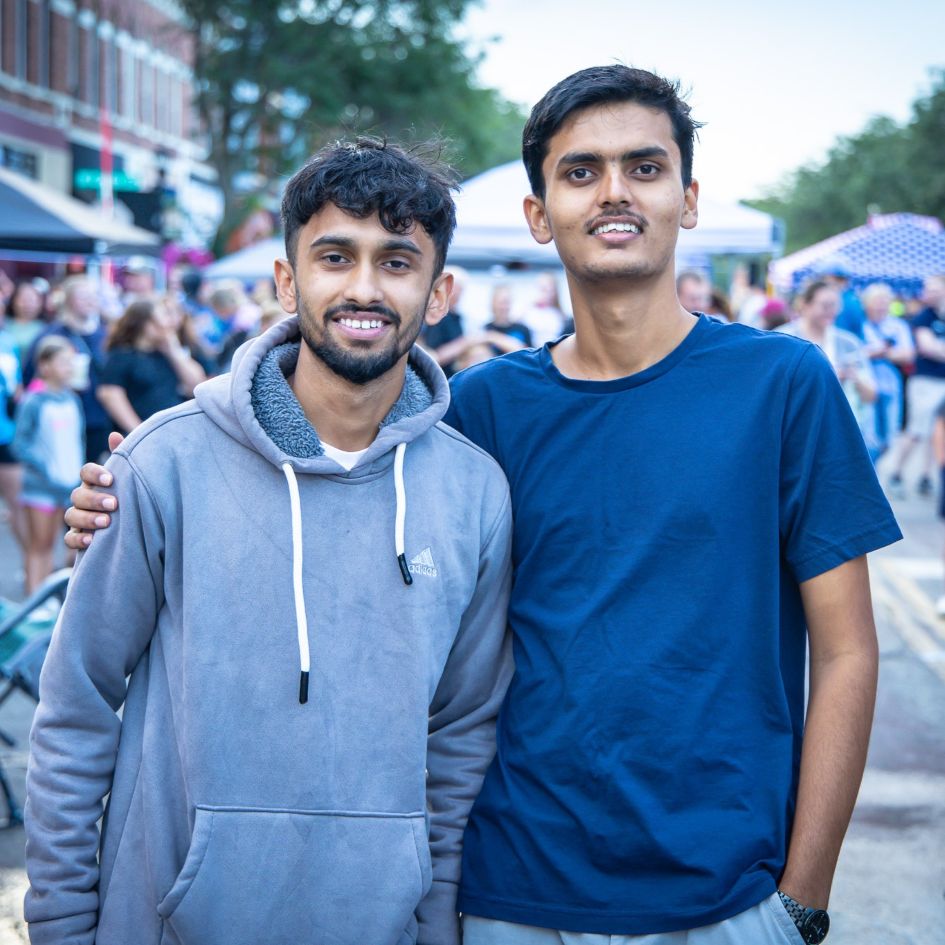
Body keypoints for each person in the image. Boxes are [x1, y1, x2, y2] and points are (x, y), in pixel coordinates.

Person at [66, 67, 900, 945]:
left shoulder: (783, 385)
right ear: (539, 214)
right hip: (512, 896)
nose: (614, 192)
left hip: (727, 897)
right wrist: (121, 498)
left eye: (644, 168)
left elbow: (847, 652)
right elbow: (318, 473)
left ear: (686, 199)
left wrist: (801, 902)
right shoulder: (480, 409)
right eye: (580, 172)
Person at [27, 138, 513, 945]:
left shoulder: (475, 493)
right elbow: (75, 709)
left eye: (397, 261)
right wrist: (62, 927)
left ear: (439, 293)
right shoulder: (161, 462)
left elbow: (460, 738)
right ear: (286, 280)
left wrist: (434, 925)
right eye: (334, 256)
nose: (363, 287)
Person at [12, 336, 83, 594]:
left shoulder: (72, 399)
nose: (69, 367)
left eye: (70, 362)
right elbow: (20, 443)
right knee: (38, 545)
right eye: (63, 361)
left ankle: (43, 596)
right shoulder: (33, 401)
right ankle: (33, 600)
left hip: (66, 485)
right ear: (45, 366)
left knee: (53, 544)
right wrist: (45, 468)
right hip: (40, 486)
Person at [778, 279, 878, 457]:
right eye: (825, 305)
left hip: (840, 432)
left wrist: (853, 376)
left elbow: (871, 395)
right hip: (796, 431)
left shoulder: (848, 343)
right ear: (805, 304)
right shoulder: (783, 339)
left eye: (835, 306)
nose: (831, 311)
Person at [25, 276, 111, 463]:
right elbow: (30, 377)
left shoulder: (106, 334)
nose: (90, 300)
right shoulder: (52, 334)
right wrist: (56, 384)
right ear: (68, 300)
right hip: (60, 417)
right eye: (83, 296)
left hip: (98, 418)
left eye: (93, 295)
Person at [96, 296, 207, 432]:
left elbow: (196, 385)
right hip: (142, 433)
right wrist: (138, 431)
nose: (169, 323)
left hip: (173, 431)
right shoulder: (122, 355)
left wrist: (173, 351)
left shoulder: (166, 353)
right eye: (164, 316)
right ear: (145, 323)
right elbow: (110, 394)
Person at [888, 273, 945, 497]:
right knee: (917, 430)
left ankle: (926, 476)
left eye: (934, 287)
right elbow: (927, 347)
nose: (928, 291)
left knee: (938, 432)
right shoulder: (924, 316)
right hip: (925, 381)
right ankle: (896, 473)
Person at [861, 283, 914, 460]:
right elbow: (855, 353)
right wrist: (876, 352)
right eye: (877, 301)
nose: (881, 306)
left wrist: (883, 352)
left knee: (888, 436)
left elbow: (908, 354)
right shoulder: (860, 325)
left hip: (890, 386)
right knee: (868, 435)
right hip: (866, 387)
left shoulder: (897, 326)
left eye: (885, 301)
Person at [419, 266, 468, 376]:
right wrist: (466, 342)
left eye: (460, 290)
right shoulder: (437, 316)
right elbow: (434, 355)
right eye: (456, 289)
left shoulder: (458, 318)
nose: (458, 294)